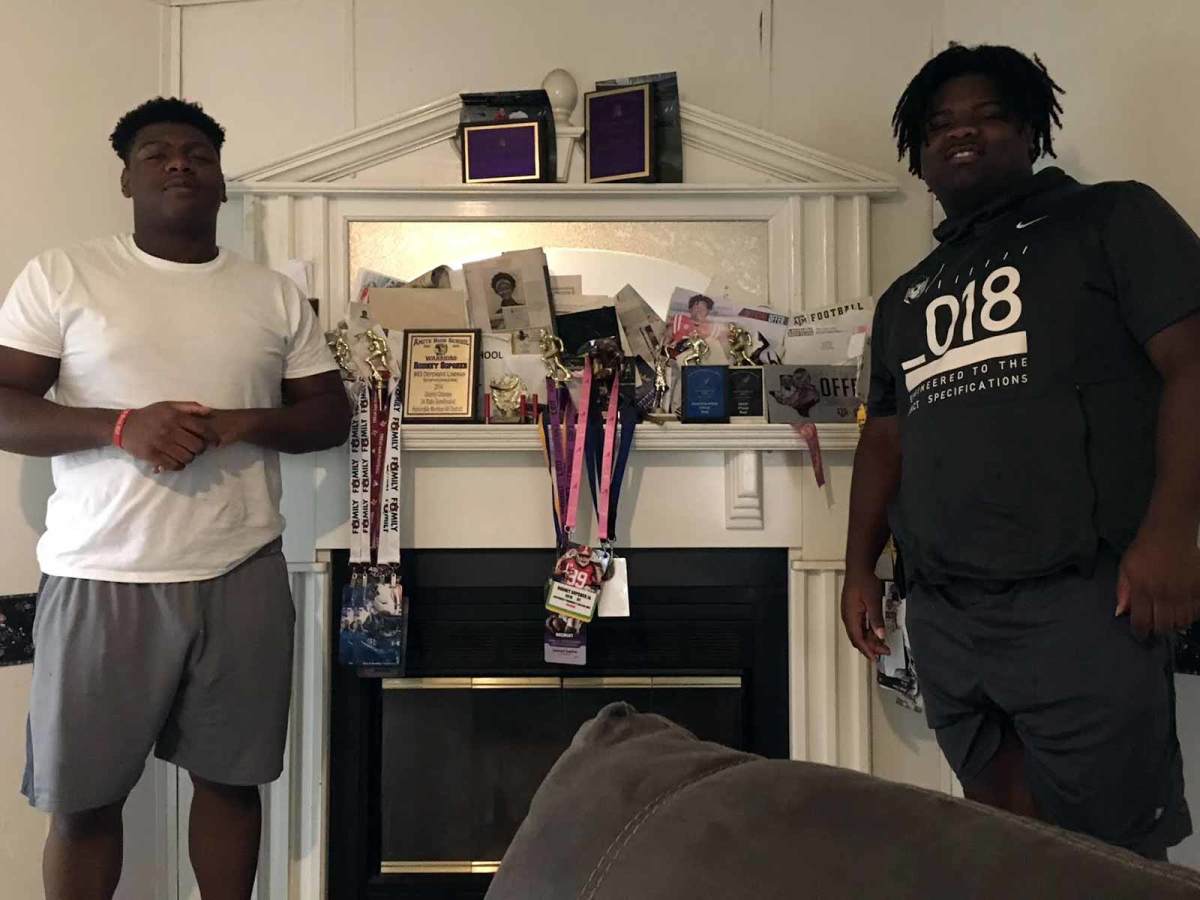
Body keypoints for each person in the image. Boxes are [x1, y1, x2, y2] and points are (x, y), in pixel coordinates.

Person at [842, 43, 1200, 859]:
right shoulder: (906, 298)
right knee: (1003, 839)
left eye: (988, 115)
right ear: (918, 155)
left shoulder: (1112, 219)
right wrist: (860, 566)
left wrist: (1173, 534)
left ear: (1033, 130)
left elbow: (1194, 363)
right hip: (948, 614)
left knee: (1111, 861)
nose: (961, 132)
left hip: (1081, 600)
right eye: (940, 125)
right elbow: (885, 438)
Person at [0, 97, 351, 899]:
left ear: (222, 182)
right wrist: (122, 426)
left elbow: (329, 416)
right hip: (102, 576)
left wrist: (241, 423)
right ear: (126, 179)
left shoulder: (271, 295)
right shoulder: (64, 275)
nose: (179, 163)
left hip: (241, 570)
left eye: (198, 153)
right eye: (155, 152)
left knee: (233, 783)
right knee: (83, 803)